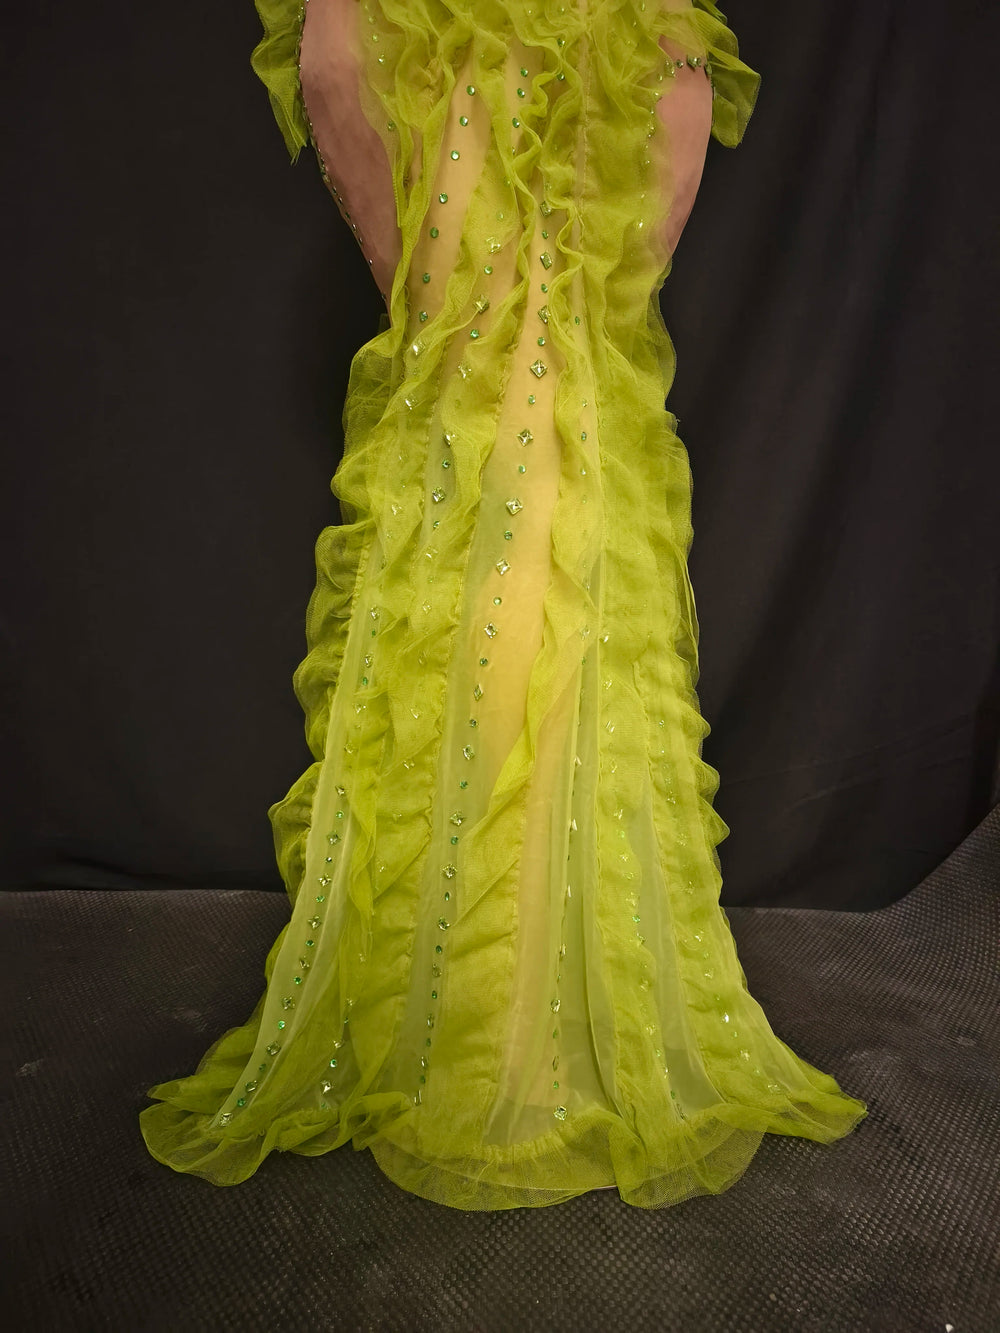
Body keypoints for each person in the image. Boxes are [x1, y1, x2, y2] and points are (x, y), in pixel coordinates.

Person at [139, 0, 868, 1210]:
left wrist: (443, 308)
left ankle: (504, 1017)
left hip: (508, 342)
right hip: (516, 345)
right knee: (516, 586)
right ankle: (489, 1021)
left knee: (513, 589)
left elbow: (338, 65)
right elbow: (668, 94)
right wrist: (514, 305)